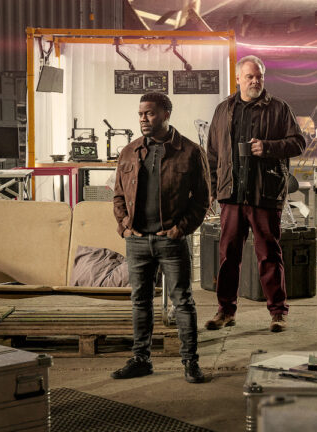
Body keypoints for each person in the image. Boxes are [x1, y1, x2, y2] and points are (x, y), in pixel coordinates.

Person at [112, 92, 210, 383]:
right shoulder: (129, 151)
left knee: (183, 302)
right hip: (137, 241)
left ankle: (190, 362)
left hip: (171, 240)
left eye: (150, 113)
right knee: (140, 301)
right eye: (140, 114)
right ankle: (141, 359)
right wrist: (125, 226)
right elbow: (118, 195)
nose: (143, 119)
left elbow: (202, 199)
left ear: (166, 114)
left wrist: (181, 229)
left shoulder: (190, 152)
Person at [205, 55, 306, 332]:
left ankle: (278, 312)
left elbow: (298, 143)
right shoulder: (223, 110)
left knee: (269, 256)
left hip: (265, 194)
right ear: (238, 78)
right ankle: (225, 311)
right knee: (228, 257)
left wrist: (268, 147)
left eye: (259, 76)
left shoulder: (279, 108)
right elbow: (212, 154)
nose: (255, 81)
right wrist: (212, 190)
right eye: (249, 76)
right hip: (232, 195)